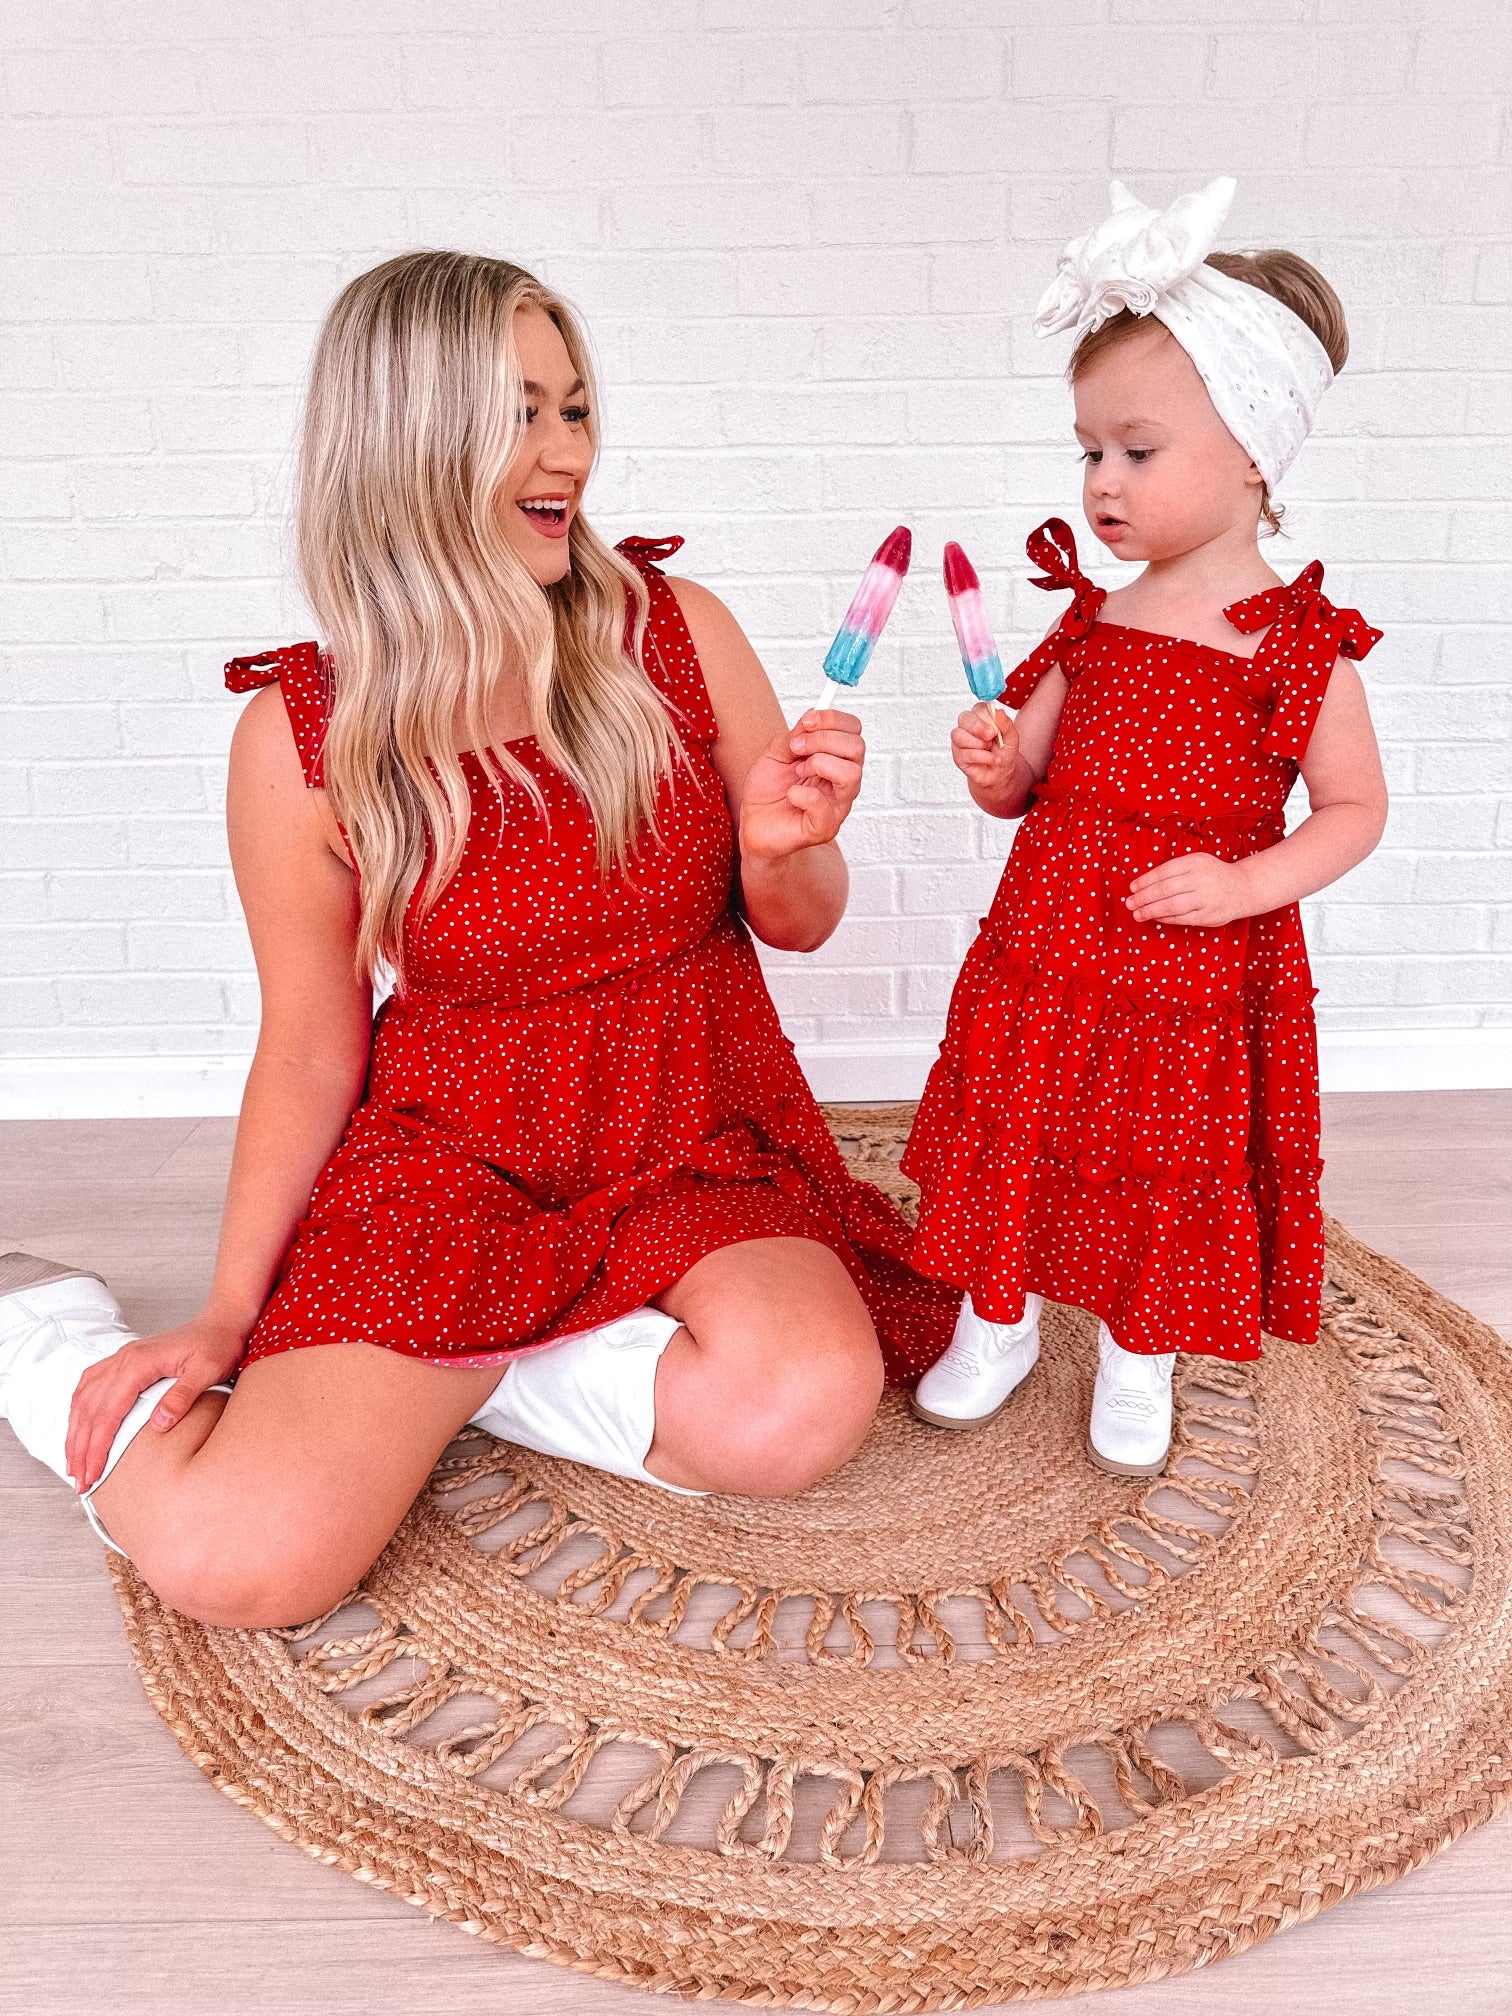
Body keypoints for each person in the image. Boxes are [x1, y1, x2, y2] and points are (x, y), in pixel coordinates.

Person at [1, 251, 957, 1629]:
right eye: (521, 413)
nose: (566, 448)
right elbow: (312, 1045)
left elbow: (800, 928)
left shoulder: (672, 633)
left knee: (806, 1403)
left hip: (694, 1125)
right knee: (238, 1565)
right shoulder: (303, 741)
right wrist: (225, 1309)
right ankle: (36, 1335)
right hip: (457, 1157)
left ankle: (469, 1365)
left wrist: (783, 851)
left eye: (573, 408)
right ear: (407, 444)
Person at [903, 179, 1388, 1476]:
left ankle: (1136, 1348)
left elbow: (1353, 810)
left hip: (1181, 967)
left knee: (1150, 1156)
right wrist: (993, 762)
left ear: (1253, 453)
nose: (1103, 482)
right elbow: (1024, 789)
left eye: (1138, 449)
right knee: (1022, 1122)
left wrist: (1245, 885)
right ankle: (993, 1318)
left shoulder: (1298, 644)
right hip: (1053, 940)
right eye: (1090, 451)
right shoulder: (1093, 622)